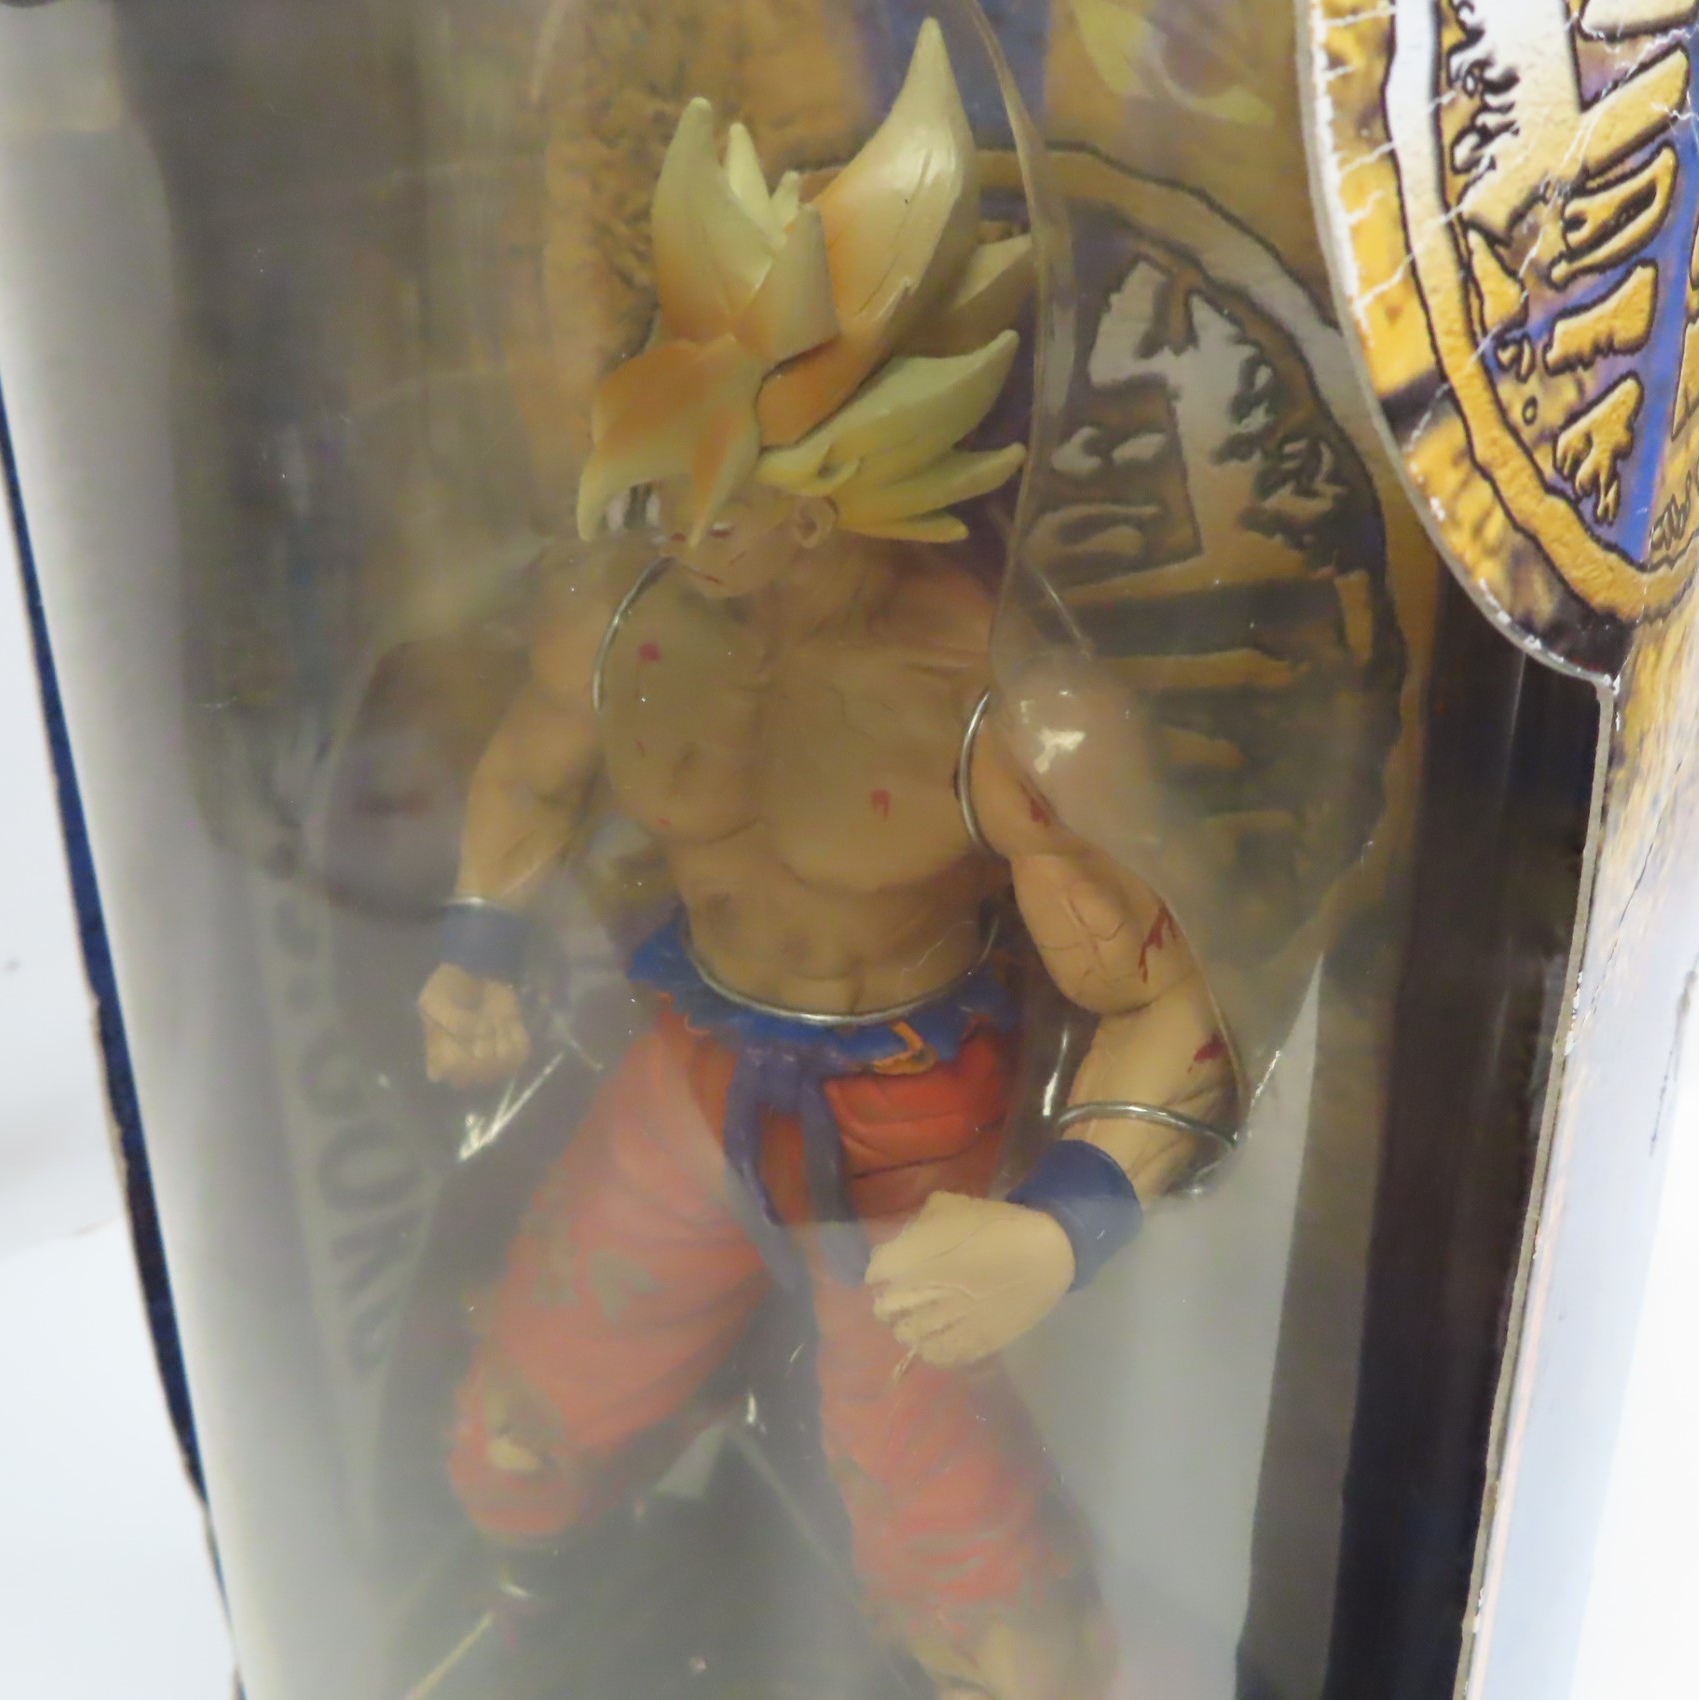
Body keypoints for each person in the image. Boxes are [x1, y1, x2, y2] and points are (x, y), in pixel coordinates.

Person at [418, 22, 1234, 1698]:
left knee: (970, 1569)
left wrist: (1060, 1226)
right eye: (657, 492)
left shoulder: (1000, 707)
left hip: (912, 1115)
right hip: (693, 1056)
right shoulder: (634, 618)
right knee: (520, 1426)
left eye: (709, 500)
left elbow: (1176, 1000)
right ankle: (545, 1628)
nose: (670, 529)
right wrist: (475, 944)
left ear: (829, 490)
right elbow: (528, 776)